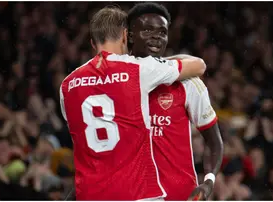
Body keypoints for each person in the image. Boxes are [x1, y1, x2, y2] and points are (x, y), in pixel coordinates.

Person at [59, 6, 207, 200]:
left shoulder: (67, 85)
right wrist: (163, 64)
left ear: (92, 43)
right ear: (125, 35)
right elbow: (199, 65)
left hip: (91, 194)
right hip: (136, 192)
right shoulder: (139, 69)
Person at [128, 3, 223, 201]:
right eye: (147, 30)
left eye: (162, 32)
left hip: (180, 196)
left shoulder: (188, 82)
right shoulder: (115, 82)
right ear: (129, 35)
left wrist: (208, 181)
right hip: (132, 195)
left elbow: (214, 142)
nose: (156, 36)